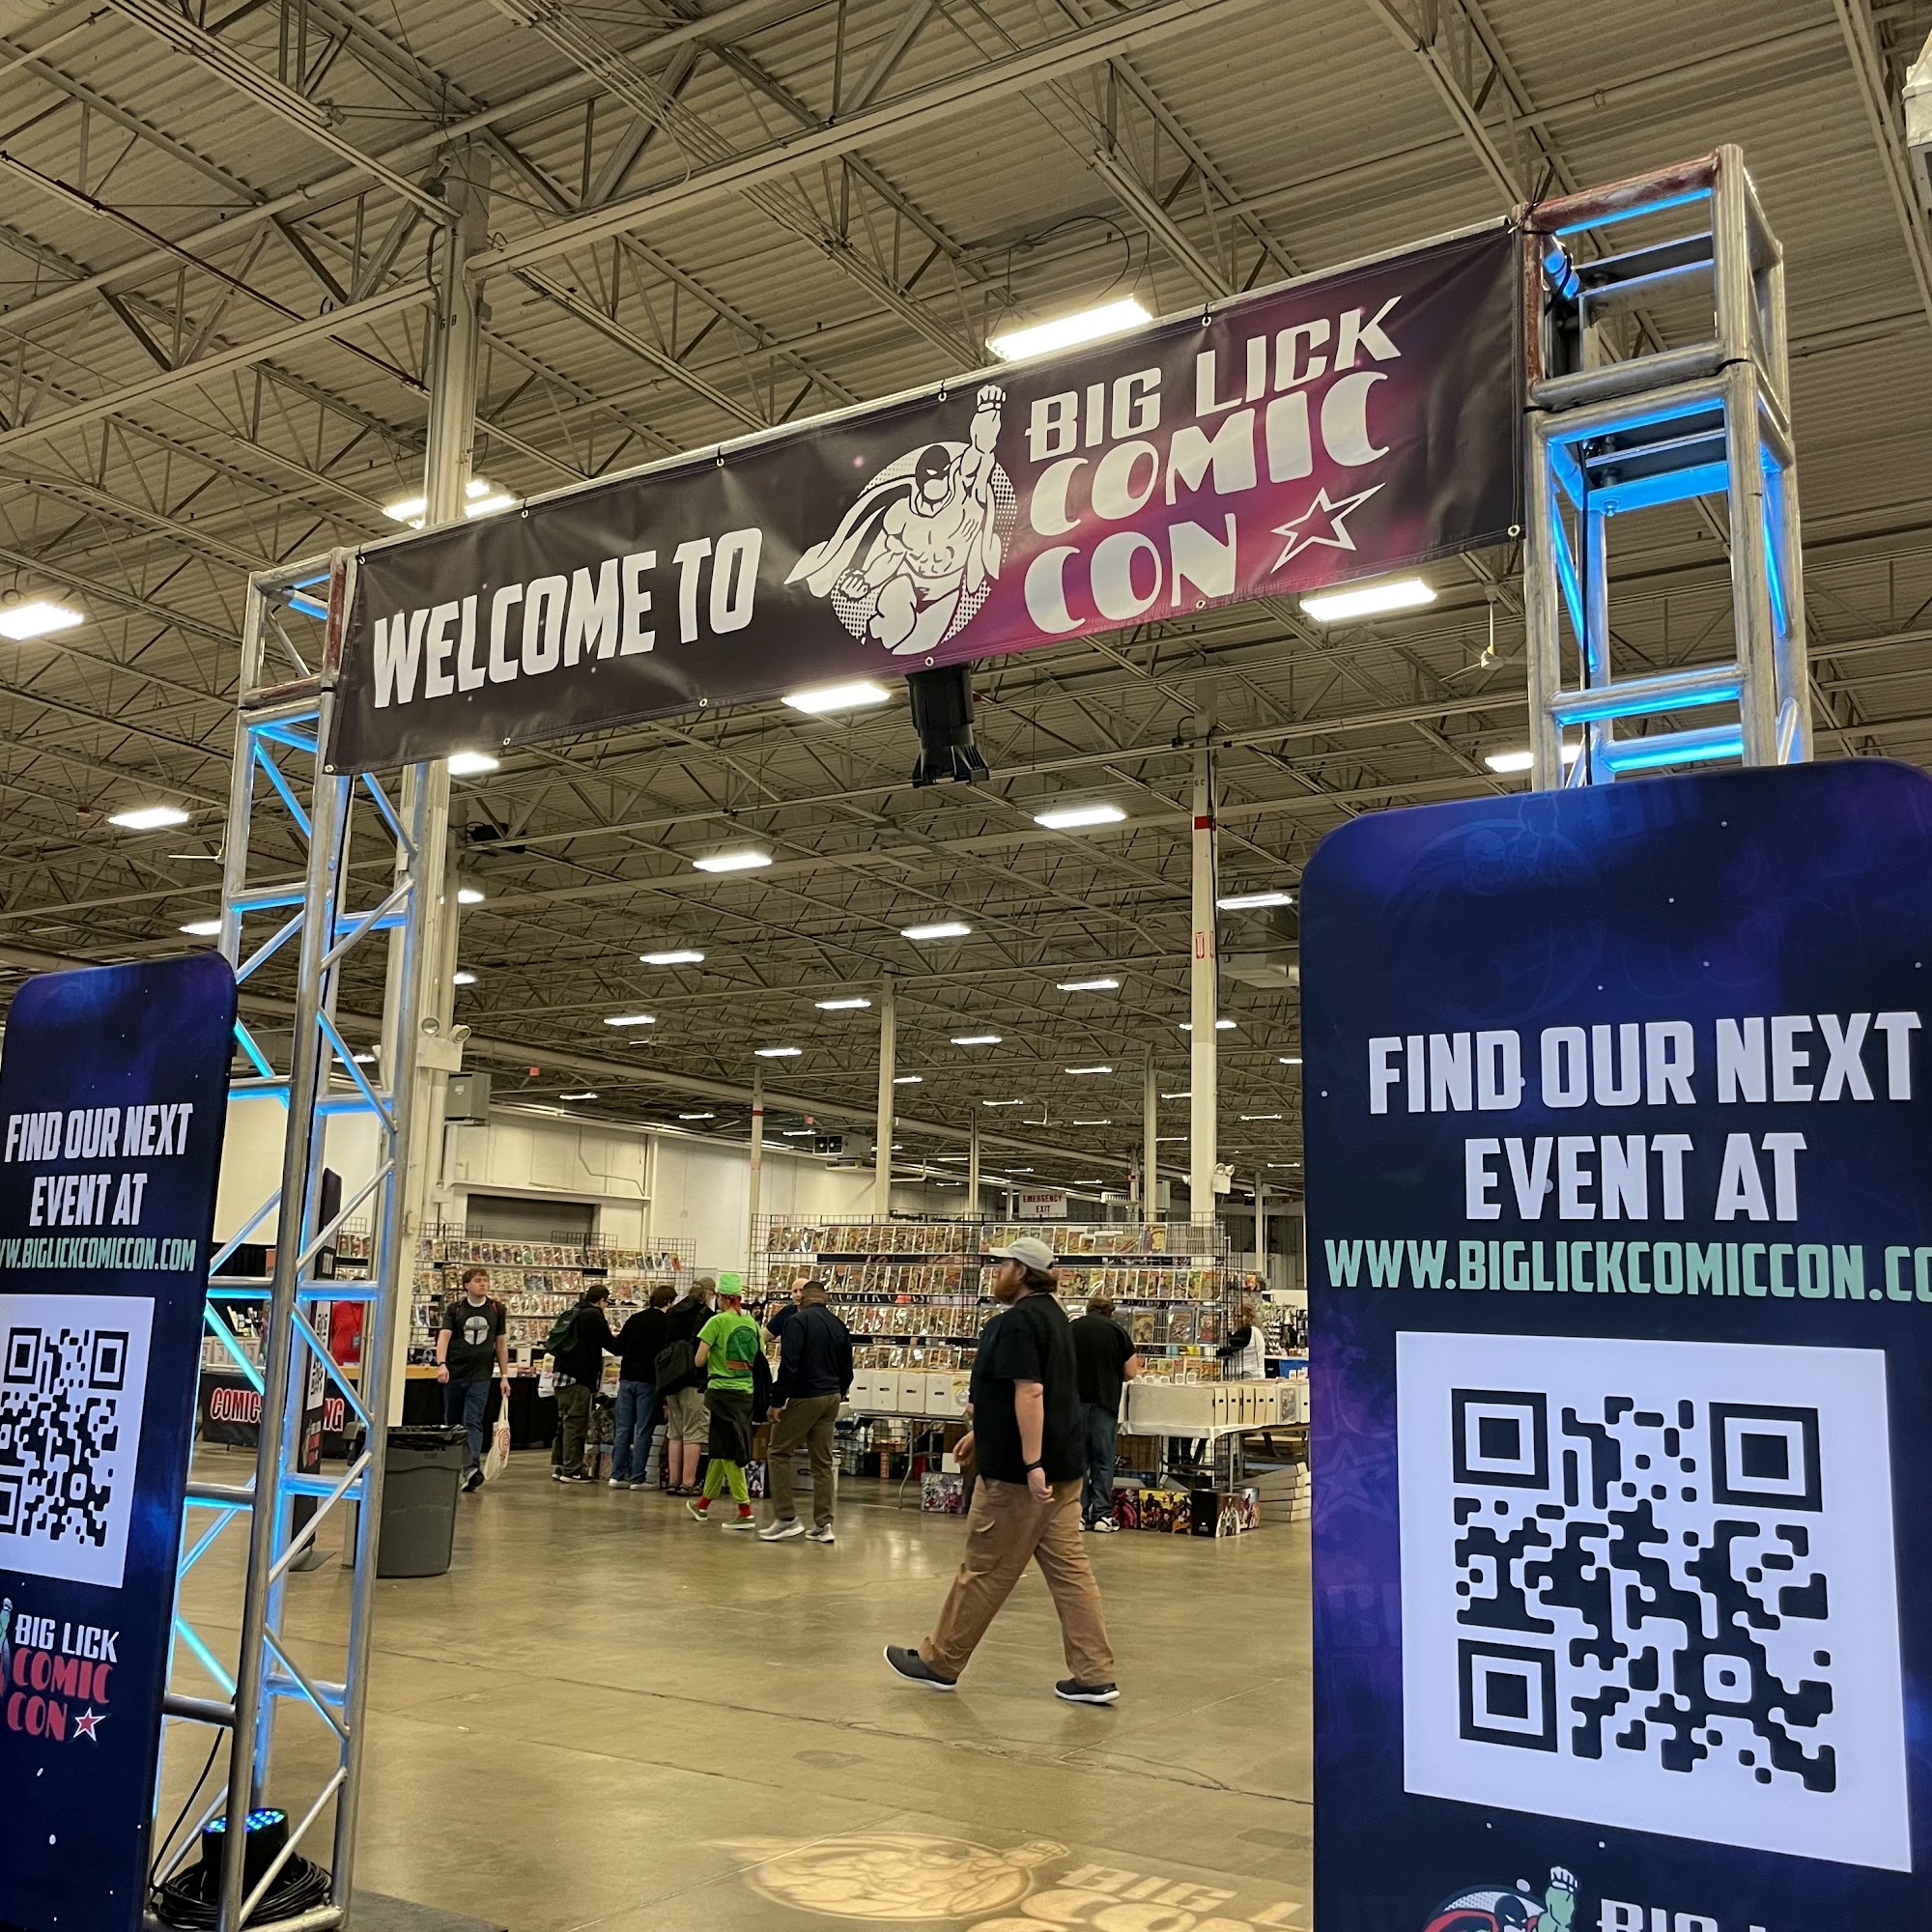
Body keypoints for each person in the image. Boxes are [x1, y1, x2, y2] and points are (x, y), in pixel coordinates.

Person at [885, 1236, 1118, 1704]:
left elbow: (1030, 1392)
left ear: (1022, 1271)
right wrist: (984, 1435)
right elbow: (1041, 1393)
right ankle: (1094, 1673)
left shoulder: (1016, 1324)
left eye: (1004, 1264)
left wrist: (1030, 1462)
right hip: (1064, 1471)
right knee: (1071, 1574)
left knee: (984, 1568)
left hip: (1019, 1477)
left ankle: (940, 1661)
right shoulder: (1057, 1319)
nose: (997, 1272)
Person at [758, 1279, 852, 1544]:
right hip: (832, 1396)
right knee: (822, 1462)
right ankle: (824, 1525)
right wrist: (838, 1391)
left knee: (778, 1452)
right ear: (825, 1298)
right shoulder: (838, 1325)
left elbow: (790, 1364)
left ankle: (786, 1518)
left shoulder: (796, 1322)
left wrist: (777, 1400)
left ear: (802, 1299)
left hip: (806, 1395)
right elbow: (847, 1368)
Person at [687, 1273, 761, 1529]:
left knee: (729, 1452)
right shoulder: (751, 1324)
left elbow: (699, 1359)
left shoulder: (716, 1322)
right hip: (746, 1393)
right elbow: (760, 1356)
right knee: (720, 1449)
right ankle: (703, 1504)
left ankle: (745, 1510)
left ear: (720, 1297)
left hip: (721, 1393)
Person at [1068, 1293, 1141, 1533]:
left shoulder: (1072, 1328)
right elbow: (1130, 1372)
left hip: (1074, 1403)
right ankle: (1102, 1515)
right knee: (1103, 1460)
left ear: (1087, 1309)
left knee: (1078, 1460)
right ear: (1111, 1311)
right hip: (1105, 1403)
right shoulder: (1118, 1332)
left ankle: (1077, 1515)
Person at [436, 1266, 511, 1493]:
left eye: (485, 1280)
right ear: (466, 1285)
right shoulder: (455, 1309)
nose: (483, 1284)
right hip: (455, 1373)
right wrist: (441, 1364)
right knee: (452, 1420)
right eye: (478, 1281)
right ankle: (451, 1465)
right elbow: (444, 1337)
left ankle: (471, 1468)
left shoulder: (496, 1309)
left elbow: (501, 1343)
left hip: (481, 1375)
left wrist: (504, 1376)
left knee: (474, 1420)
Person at [543, 1282, 618, 1484]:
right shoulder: (593, 1315)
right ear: (602, 1301)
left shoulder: (574, 1311)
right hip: (578, 1377)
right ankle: (572, 1470)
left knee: (565, 1422)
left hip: (561, 1375)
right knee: (576, 1424)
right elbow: (609, 1343)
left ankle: (560, 1466)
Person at [610, 1282, 676, 1489]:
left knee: (623, 1428)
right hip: (649, 1380)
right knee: (644, 1428)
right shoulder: (667, 1323)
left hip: (627, 1377)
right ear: (668, 1302)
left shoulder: (635, 1318)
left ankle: (617, 1475)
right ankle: (638, 1477)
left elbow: (618, 1346)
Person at [657, 1277, 715, 1493]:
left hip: (671, 1378)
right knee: (694, 1432)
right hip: (694, 1378)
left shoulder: (672, 1313)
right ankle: (688, 1483)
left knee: (675, 1432)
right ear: (709, 1294)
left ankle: (673, 1481)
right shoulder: (707, 1315)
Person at [1218, 1300, 1267, 1380]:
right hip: (1247, 1377)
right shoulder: (1254, 1331)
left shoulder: (1248, 1331)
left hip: (1247, 1378)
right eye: (1234, 1316)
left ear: (1249, 1317)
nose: (1236, 1319)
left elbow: (1229, 1348)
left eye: (1240, 1316)